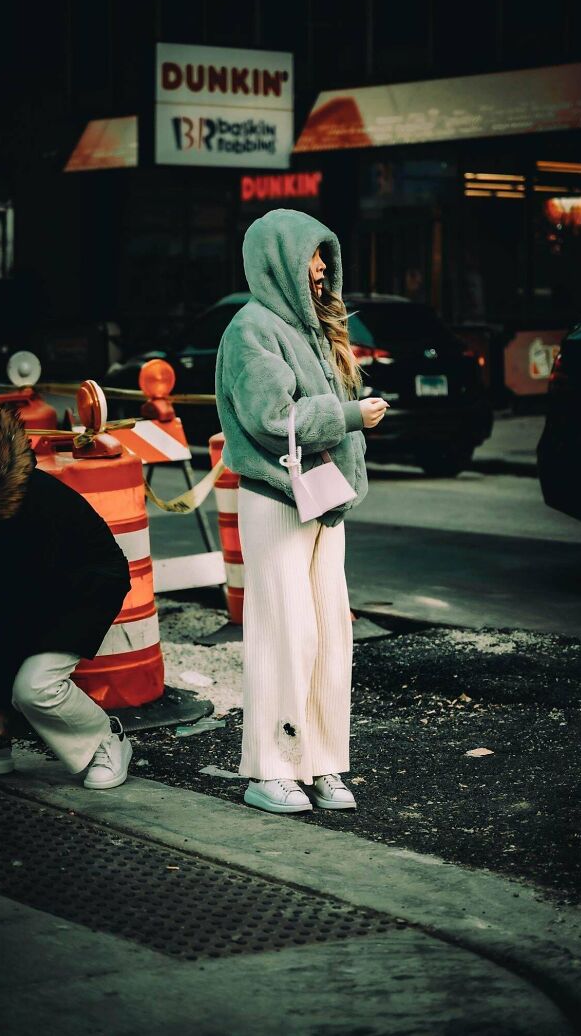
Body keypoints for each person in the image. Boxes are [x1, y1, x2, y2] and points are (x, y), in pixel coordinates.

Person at [216, 208, 388, 814]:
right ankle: (269, 770)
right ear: (276, 259)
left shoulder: (314, 329)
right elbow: (272, 421)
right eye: (312, 256)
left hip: (323, 499)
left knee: (328, 633)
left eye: (325, 255)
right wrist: (349, 415)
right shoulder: (250, 330)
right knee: (284, 630)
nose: (321, 268)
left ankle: (320, 765)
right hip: (276, 497)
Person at [0, 406, 133, 788]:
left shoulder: (18, 511)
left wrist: (1, 709)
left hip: (81, 583)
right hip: (18, 582)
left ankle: (106, 739)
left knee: (33, 689)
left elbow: (18, 613)